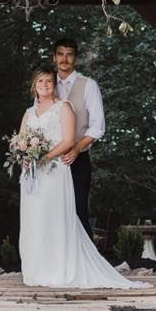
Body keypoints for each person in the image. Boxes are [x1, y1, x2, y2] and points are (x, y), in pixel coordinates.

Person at [17, 66, 148, 289]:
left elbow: (69, 140)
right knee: (35, 219)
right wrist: (26, 159)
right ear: (34, 85)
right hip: (32, 175)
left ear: (54, 85)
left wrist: (44, 158)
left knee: (56, 217)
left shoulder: (64, 107)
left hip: (55, 170)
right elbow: (22, 140)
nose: (44, 85)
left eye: (49, 81)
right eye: (40, 81)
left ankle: (59, 269)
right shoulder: (29, 113)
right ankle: (37, 270)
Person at [53, 38, 104, 239]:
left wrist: (77, 148)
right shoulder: (46, 84)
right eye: (60, 54)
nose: (64, 59)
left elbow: (98, 125)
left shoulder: (88, 85)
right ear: (54, 57)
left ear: (76, 58)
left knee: (78, 211)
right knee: (53, 213)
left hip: (78, 158)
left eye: (69, 54)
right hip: (51, 160)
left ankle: (86, 256)